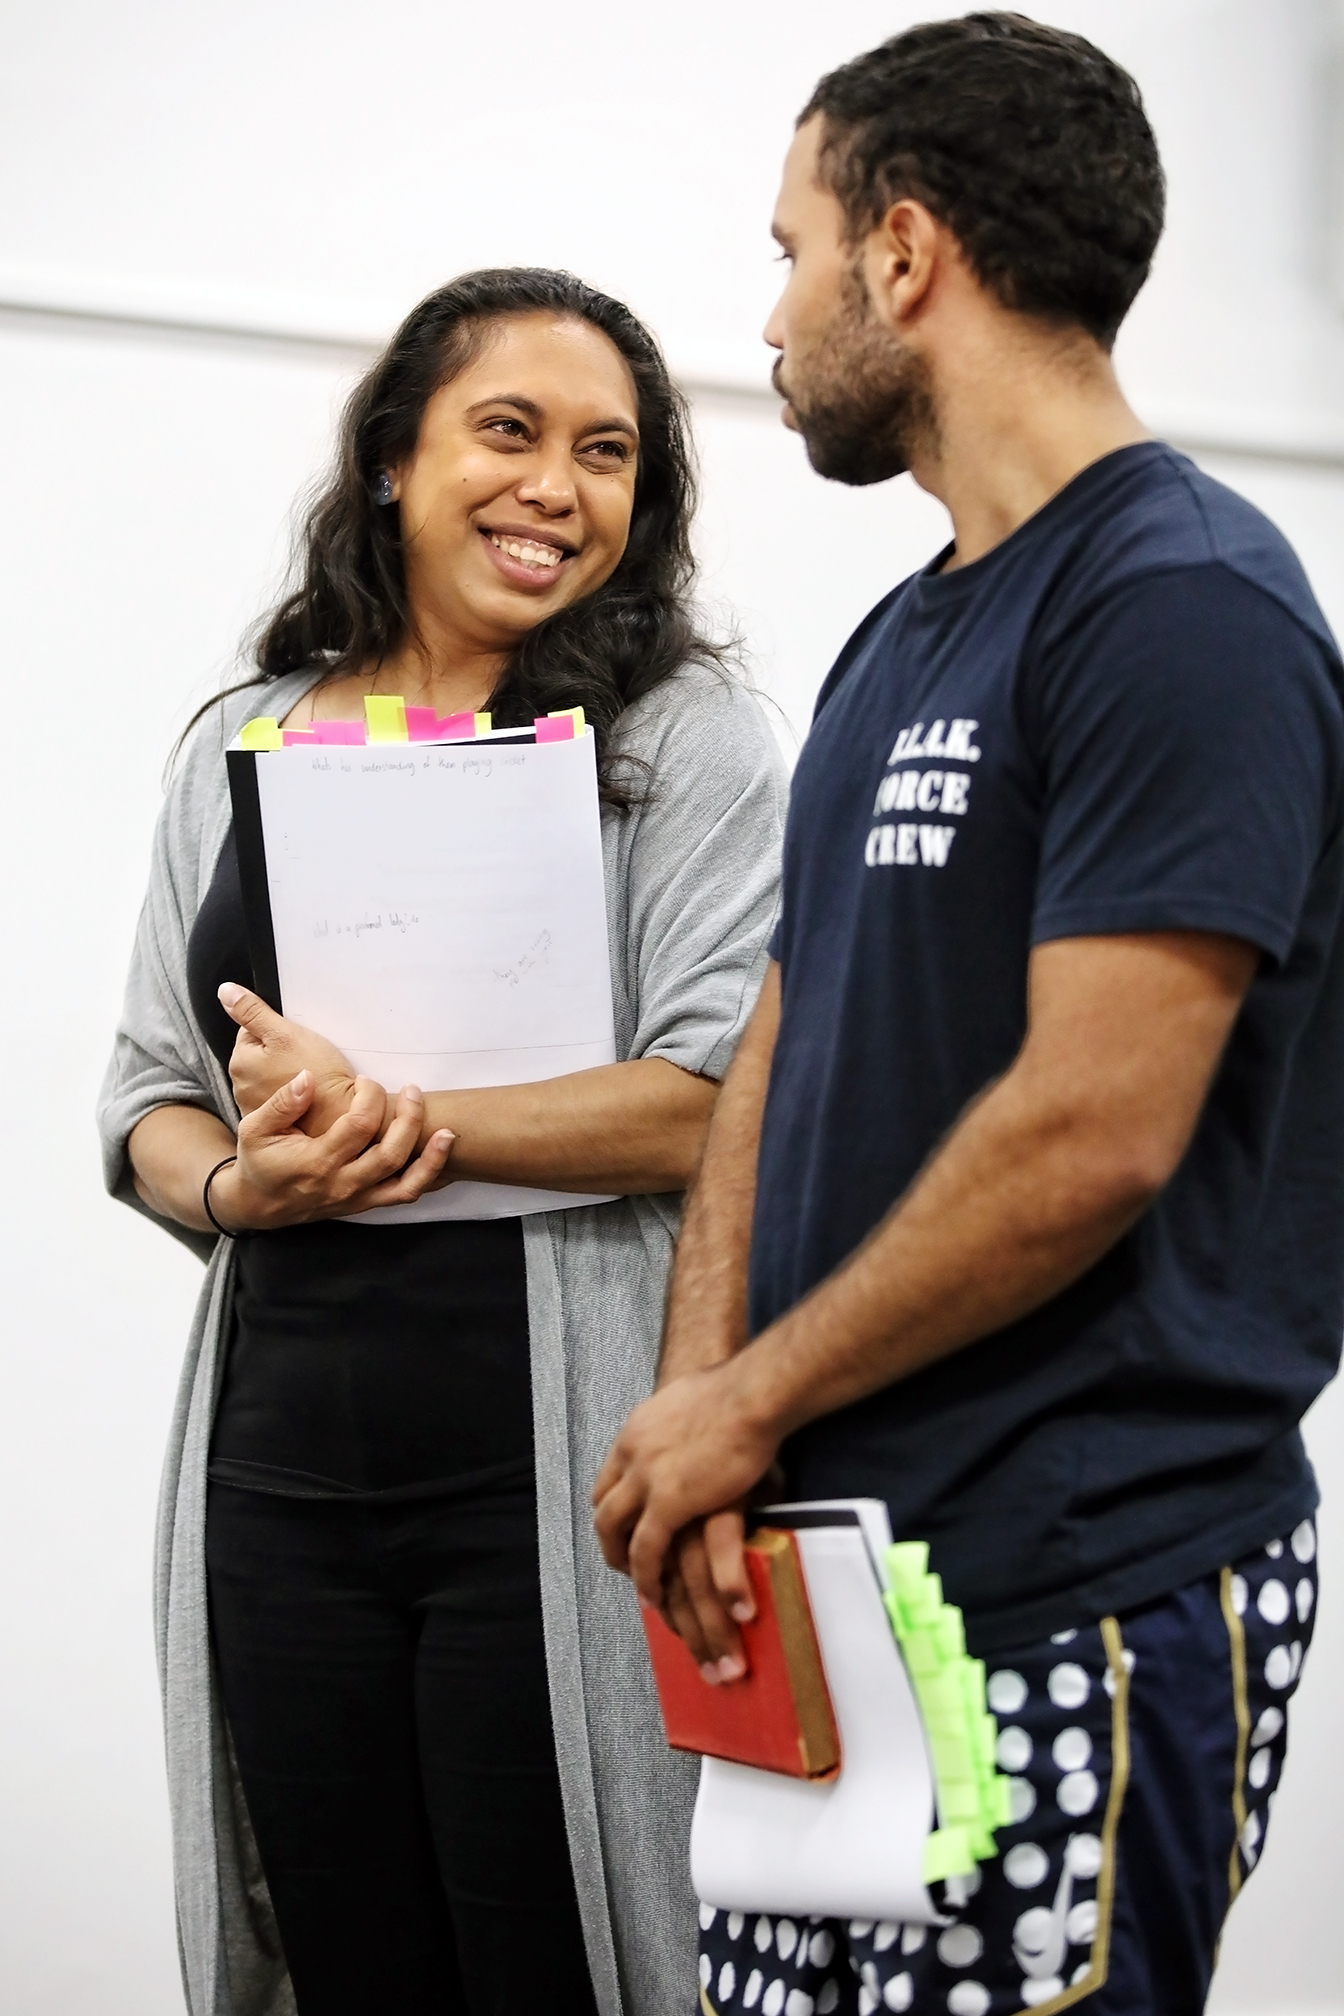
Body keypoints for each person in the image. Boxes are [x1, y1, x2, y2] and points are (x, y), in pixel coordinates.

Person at [593, 16, 1343, 2015]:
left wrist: (748, 1400)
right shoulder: (902, 636)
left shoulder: (1186, 604)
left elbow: (1094, 1128)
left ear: (905, 252)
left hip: (1075, 1577)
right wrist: (706, 1407)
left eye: (792, 252)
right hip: (834, 1585)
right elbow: (777, 1041)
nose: (772, 316)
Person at [98, 267, 786, 2016]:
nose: (556, 485)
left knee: (555, 1955)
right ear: (397, 457)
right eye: (509, 431)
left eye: (607, 453)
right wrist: (241, 1183)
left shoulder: (679, 740)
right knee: (345, 1963)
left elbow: (711, 1101)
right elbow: (149, 1098)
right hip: (276, 1476)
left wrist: (394, 1122)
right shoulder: (243, 739)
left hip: (552, 1482)